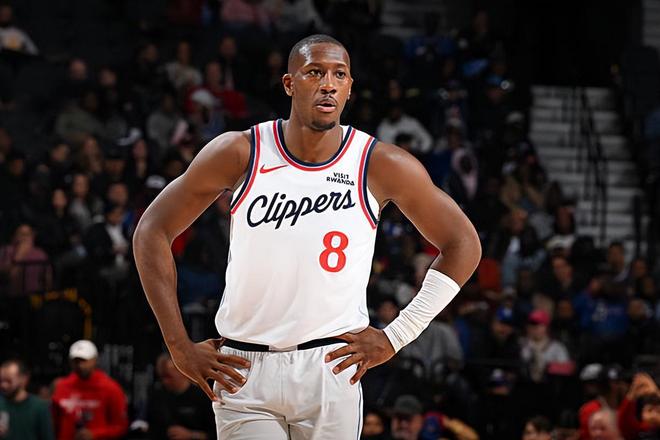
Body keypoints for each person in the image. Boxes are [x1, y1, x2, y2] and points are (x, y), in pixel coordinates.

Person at [133, 34, 481, 438]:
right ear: (289, 83)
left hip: (331, 364)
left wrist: (396, 336)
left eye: (339, 75)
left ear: (349, 88)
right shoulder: (241, 151)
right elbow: (151, 230)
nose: (328, 84)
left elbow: (463, 244)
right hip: (244, 368)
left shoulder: (379, 163)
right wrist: (178, 346)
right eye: (315, 72)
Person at [51, 340, 128, 440]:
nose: (80, 365)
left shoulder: (110, 388)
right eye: (76, 361)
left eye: (84, 361)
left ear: (95, 360)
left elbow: (121, 426)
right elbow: (53, 423)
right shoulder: (62, 386)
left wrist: (95, 434)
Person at [147, 354, 215, 440]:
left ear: (182, 371)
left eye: (168, 376)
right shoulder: (158, 397)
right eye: (162, 377)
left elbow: (215, 434)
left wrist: (191, 435)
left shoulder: (203, 397)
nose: (165, 381)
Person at [0, 359, 54, 440]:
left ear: (24, 379)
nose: (3, 385)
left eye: (8, 381)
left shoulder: (39, 407)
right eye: (1, 381)